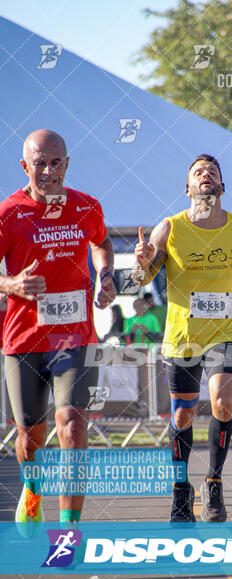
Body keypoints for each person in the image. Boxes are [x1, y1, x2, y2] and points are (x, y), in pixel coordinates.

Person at [131, 153, 232, 522]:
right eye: (197, 172)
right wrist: (140, 263)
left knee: (222, 402)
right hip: (182, 336)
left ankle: (213, 481)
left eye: (212, 172)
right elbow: (142, 279)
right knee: (184, 414)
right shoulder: (169, 228)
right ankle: (180, 488)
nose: (205, 175)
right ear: (187, 187)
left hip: (227, 331)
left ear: (222, 186)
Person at [0, 129, 116, 536]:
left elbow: (101, 243)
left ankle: (68, 533)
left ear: (66, 164)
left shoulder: (86, 207)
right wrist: (11, 284)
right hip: (23, 339)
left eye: (55, 162)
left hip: (76, 339)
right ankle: (32, 488)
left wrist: (105, 275)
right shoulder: (8, 213)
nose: (48, 171)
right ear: (24, 165)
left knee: (72, 425)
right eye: (39, 163)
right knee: (31, 439)